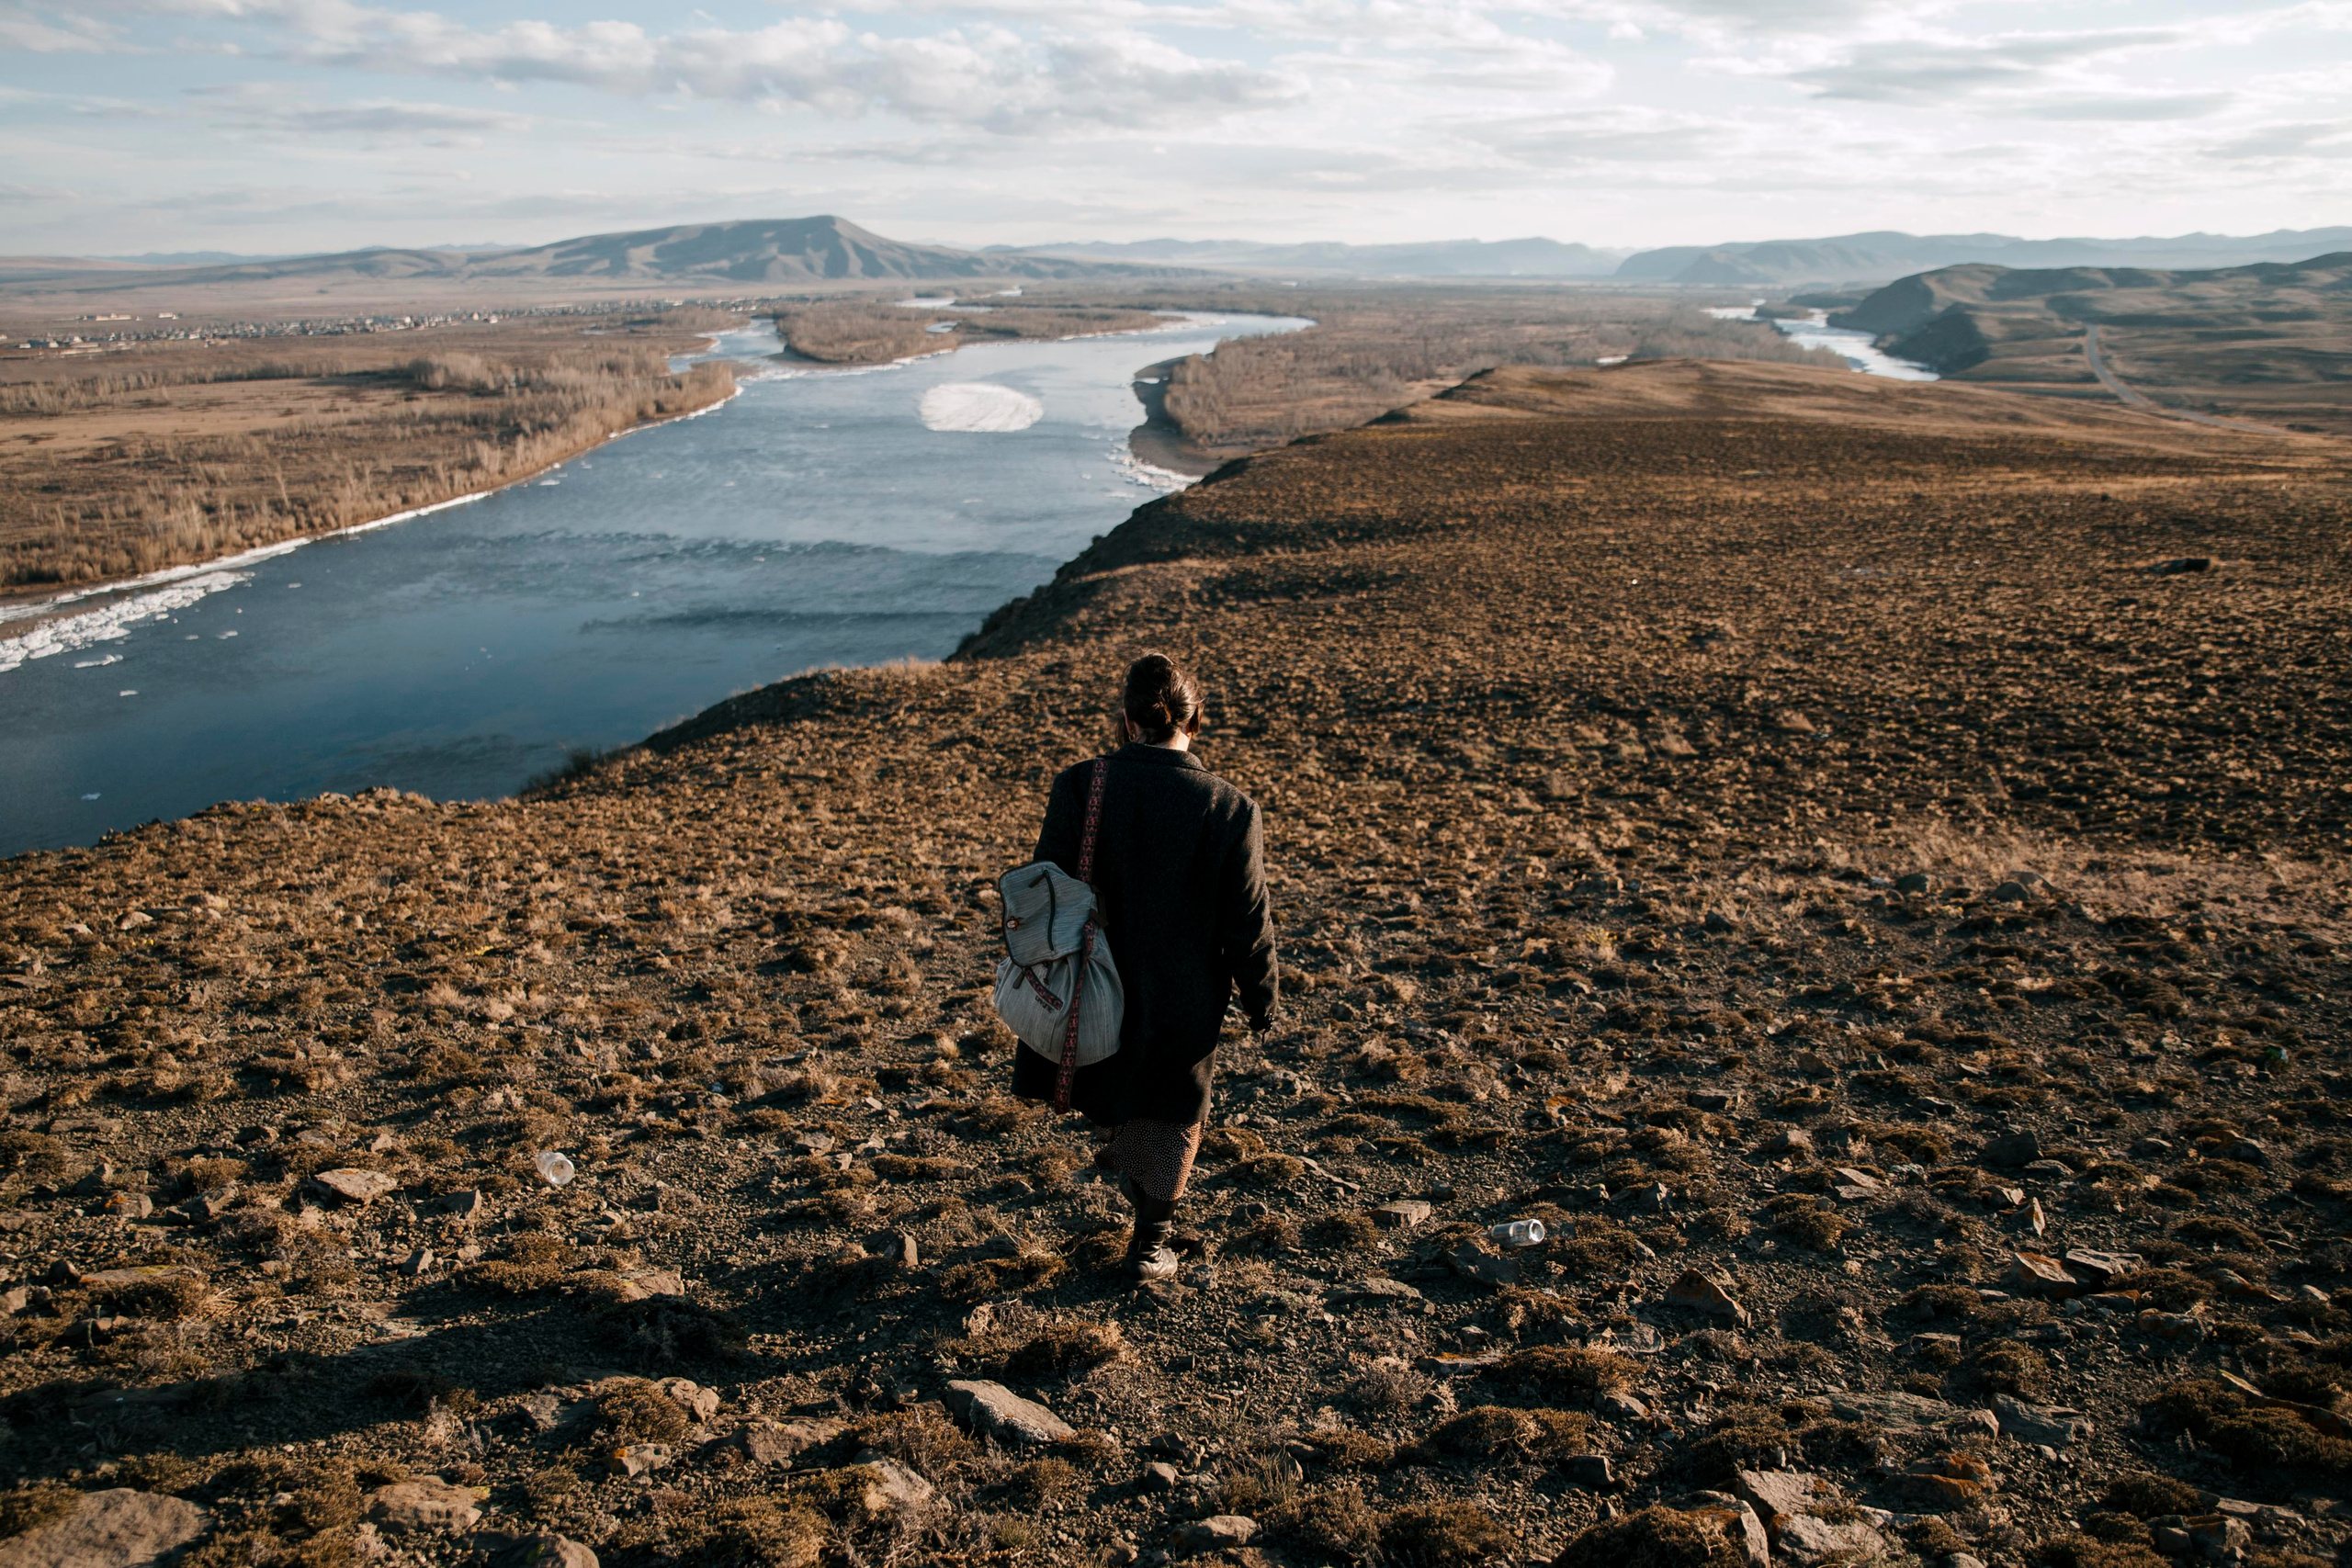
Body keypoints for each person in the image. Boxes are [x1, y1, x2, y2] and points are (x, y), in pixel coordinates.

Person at [1011, 651, 1278, 1283]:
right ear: (1196, 719)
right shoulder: (1230, 808)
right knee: (1177, 1110)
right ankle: (1150, 1244)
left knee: (1122, 1090)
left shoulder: (1080, 785)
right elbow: (1248, 919)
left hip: (1095, 985)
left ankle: (1139, 1196)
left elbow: (1045, 886)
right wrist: (1260, 994)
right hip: (1183, 995)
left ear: (1127, 719)